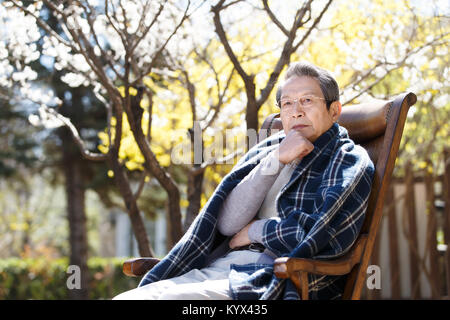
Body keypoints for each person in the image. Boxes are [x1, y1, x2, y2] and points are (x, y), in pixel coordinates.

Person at [113, 61, 375, 300]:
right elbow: (226, 225)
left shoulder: (347, 160)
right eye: (287, 103)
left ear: (334, 110)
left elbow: (318, 236)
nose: (295, 112)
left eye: (307, 100)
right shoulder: (269, 150)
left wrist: (254, 231)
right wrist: (276, 161)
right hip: (221, 267)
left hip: (273, 278)